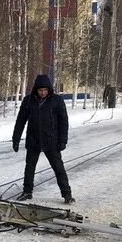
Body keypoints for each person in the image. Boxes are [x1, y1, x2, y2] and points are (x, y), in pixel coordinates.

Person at [12, 74, 74, 204]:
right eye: (40, 90)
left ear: (49, 89)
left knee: (59, 168)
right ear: (36, 89)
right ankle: (27, 192)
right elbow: (20, 121)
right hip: (33, 140)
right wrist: (16, 139)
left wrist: (63, 140)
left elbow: (64, 121)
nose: (43, 93)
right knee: (29, 168)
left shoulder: (57, 100)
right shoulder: (28, 101)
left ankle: (67, 194)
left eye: (45, 90)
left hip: (51, 141)